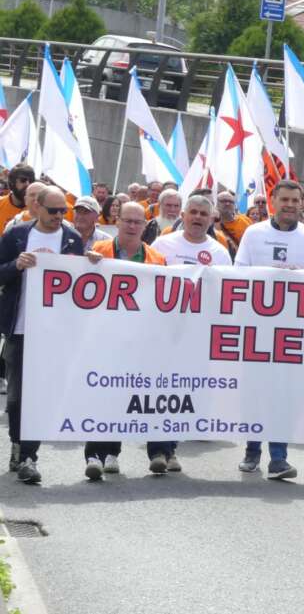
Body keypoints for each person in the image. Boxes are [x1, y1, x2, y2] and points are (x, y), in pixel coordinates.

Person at [235, 180, 304, 480]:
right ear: (273, 200)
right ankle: (252, 451)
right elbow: (238, 275)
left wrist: (300, 279)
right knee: (256, 392)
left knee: (286, 395)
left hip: (294, 333)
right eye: (284, 199)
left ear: (302, 203)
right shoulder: (253, 233)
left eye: (294, 200)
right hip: (258, 330)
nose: (289, 205)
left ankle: (279, 457)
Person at [1, 186, 84, 483]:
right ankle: (17, 441)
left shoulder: (72, 238)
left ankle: (28, 457)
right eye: (54, 211)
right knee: (16, 397)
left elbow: (82, 282)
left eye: (64, 211)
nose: (59, 217)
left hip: (54, 333)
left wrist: (94, 266)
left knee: (40, 395)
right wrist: (16, 265)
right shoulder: (17, 235)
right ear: (37, 206)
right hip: (20, 328)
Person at [85, 203, 168, 479]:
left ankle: (134, 452)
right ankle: (96, 454)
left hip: (143, 339)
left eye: (138, 222)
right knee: (104, 394)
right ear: (117, 222)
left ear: (145, 226)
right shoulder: (98, 254)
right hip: (105, 338)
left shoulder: (156, 258)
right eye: (127, 221)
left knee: (138, 394)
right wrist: (88, 266)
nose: (132, 226)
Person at [150, 195, 231, 267]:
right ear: (182, 216)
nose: (198, 217)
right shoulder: (161, 245)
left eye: (203, 214)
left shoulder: (221, 254)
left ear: (211, 220)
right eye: (193, 212)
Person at [0, 164, 35, 229]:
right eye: (23, 180)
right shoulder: (1, 204)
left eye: (31, 180)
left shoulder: (38, 209)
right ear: (12, 182)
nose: (28, 184)